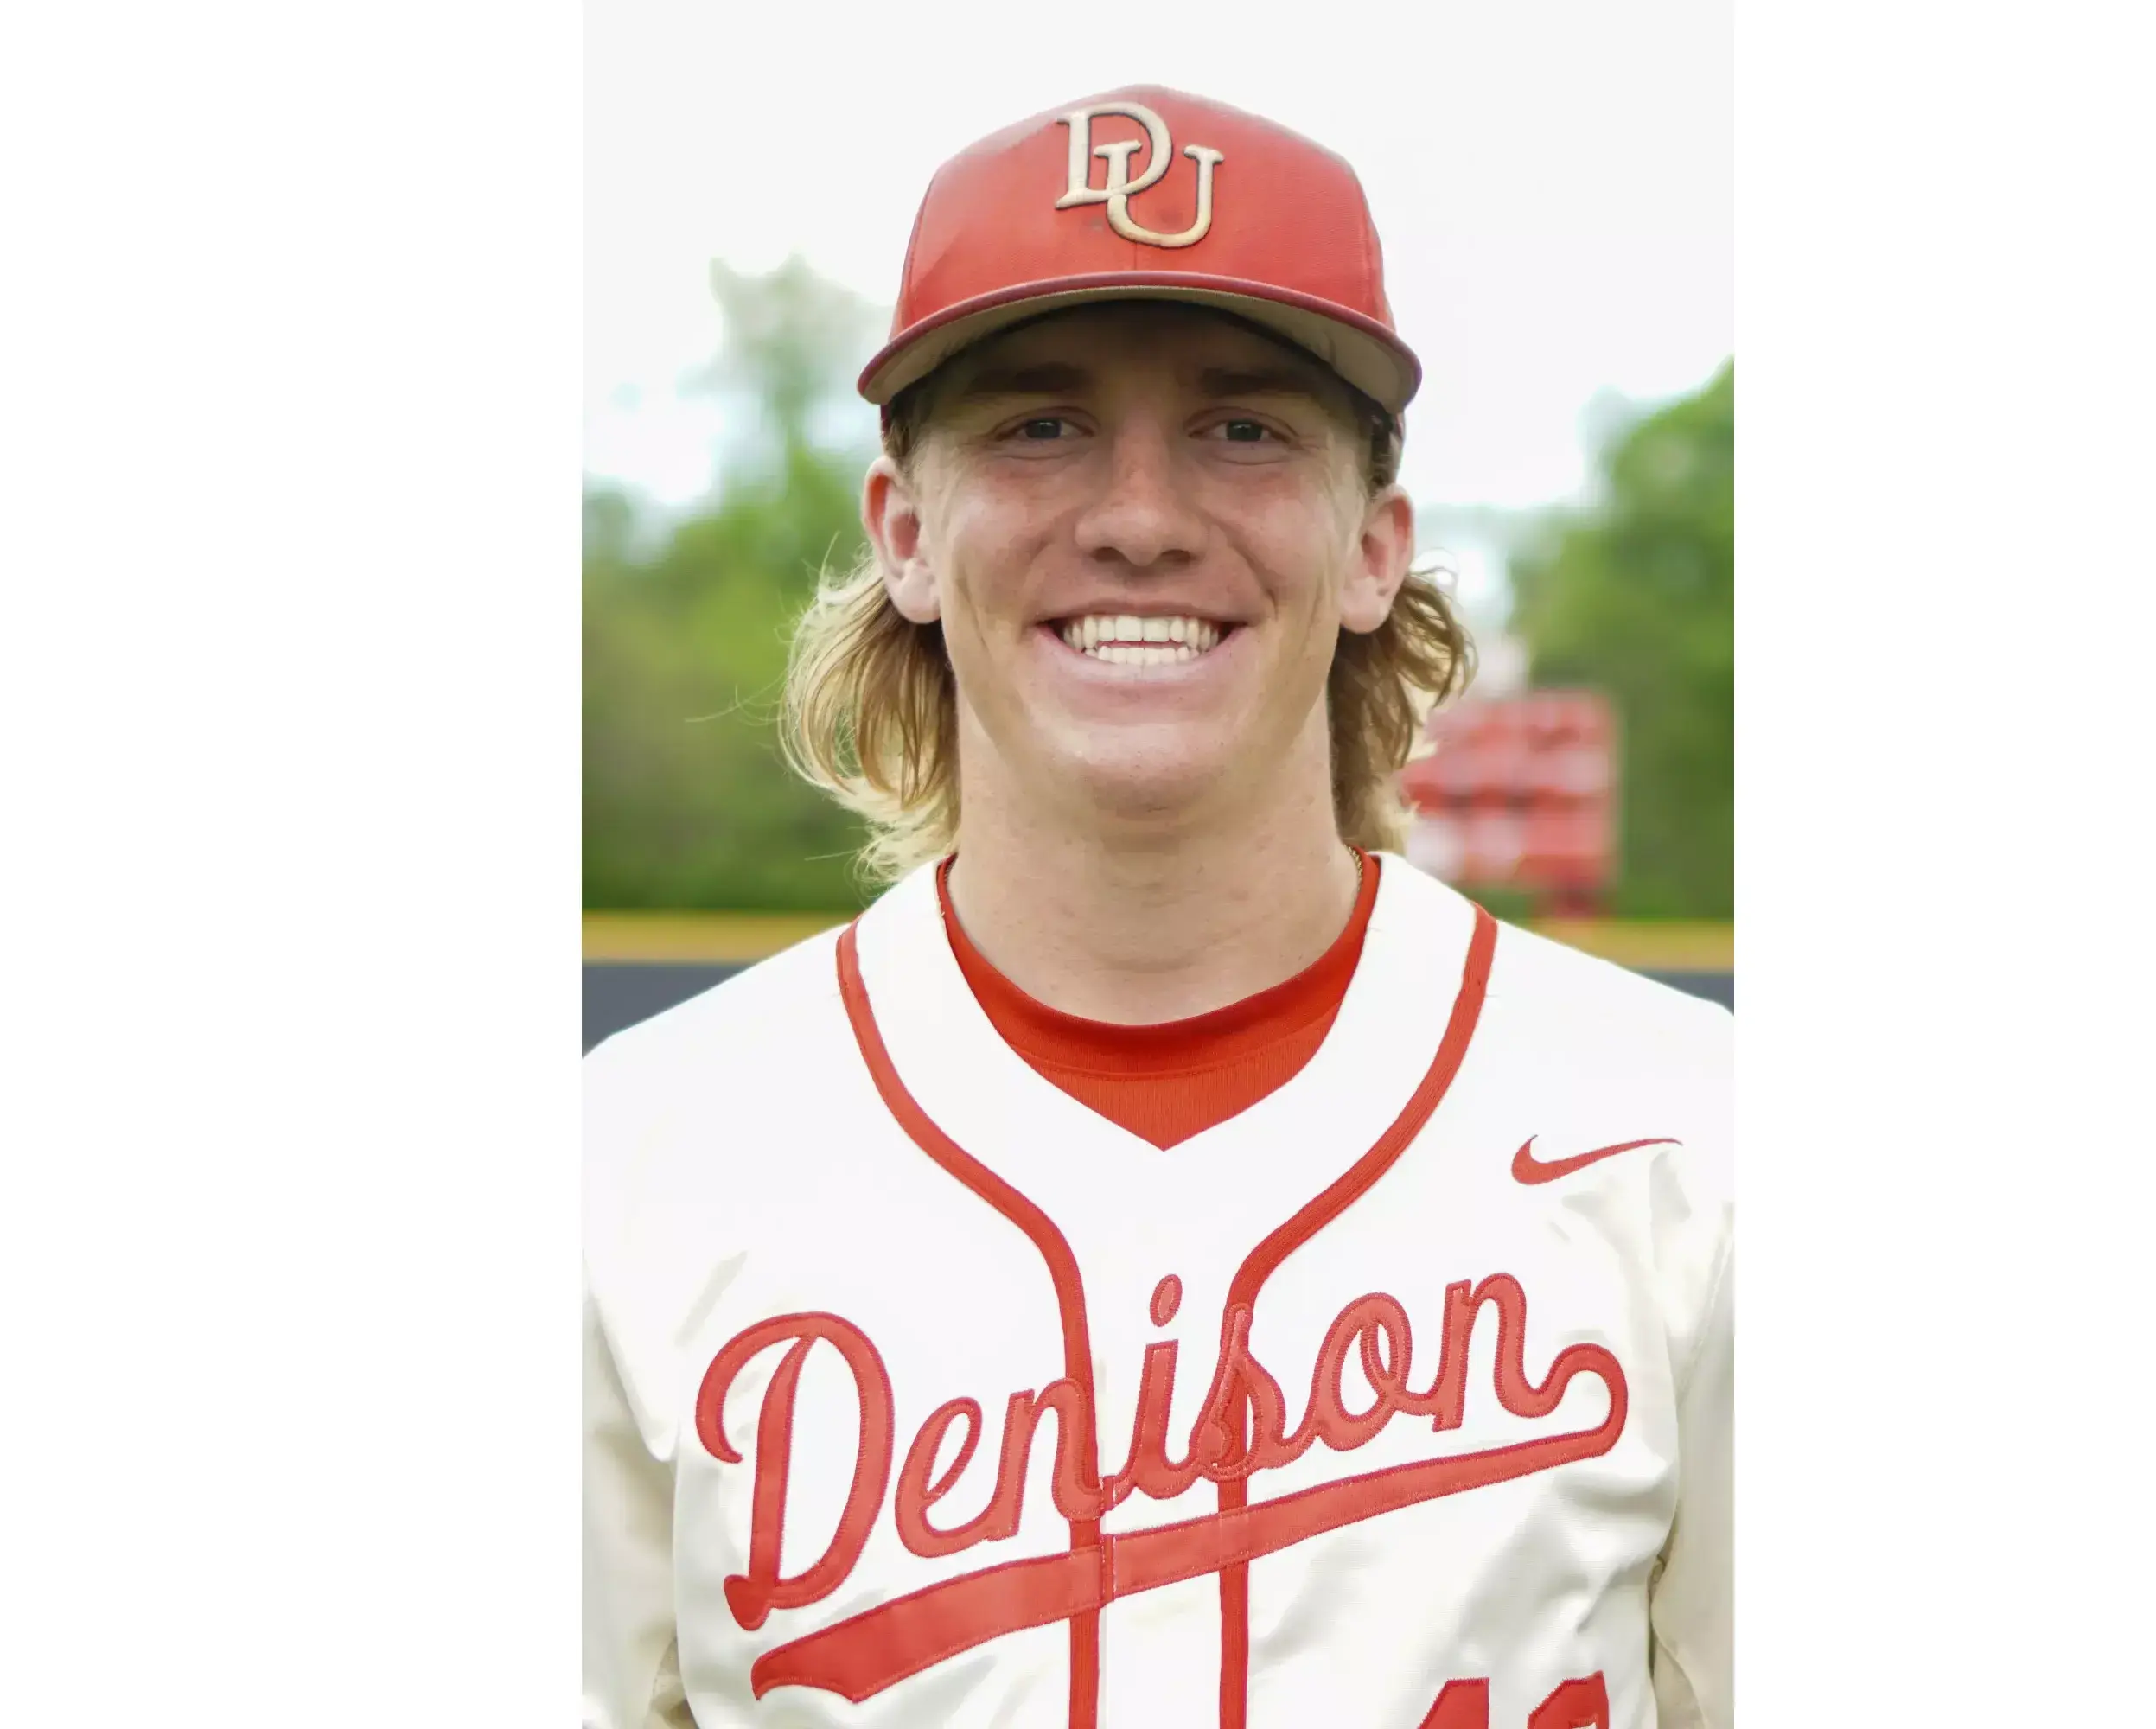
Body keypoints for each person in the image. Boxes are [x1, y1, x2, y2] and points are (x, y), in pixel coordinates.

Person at [584, 86, 1732, 1729]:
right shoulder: (616, 1175)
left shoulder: (1695, 1152)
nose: (1137, 517)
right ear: (907, 531)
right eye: (1038, 426)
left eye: (1243, 428)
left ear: (1370, 549)